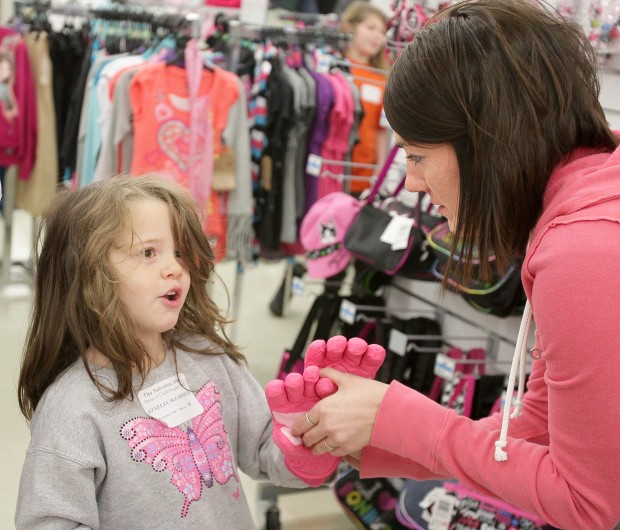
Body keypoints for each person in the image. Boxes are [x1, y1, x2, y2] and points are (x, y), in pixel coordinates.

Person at [289, 1, 620, 528]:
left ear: (487, 142)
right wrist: (375, 435)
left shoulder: (583, 252)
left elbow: (589, 502)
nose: (413, 185)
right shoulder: (580, 206)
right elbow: (535, 427)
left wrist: (404, 420)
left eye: (417, 156)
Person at [14, 175, 384, 529]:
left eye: (178, 252)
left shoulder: (208, 359)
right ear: (88, 275)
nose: (175, 267)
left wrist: (312, 433)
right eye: (148, 252)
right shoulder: (72, 408)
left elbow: (266, 450)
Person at [340, 1, 390, 194]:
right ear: (350, 27)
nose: (377, 36)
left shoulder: (382, 79)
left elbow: (381, 130)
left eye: (382, 32)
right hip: (333, 167)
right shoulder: (334, 67)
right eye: (371, 28)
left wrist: (380, 171)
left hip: (363, 174)